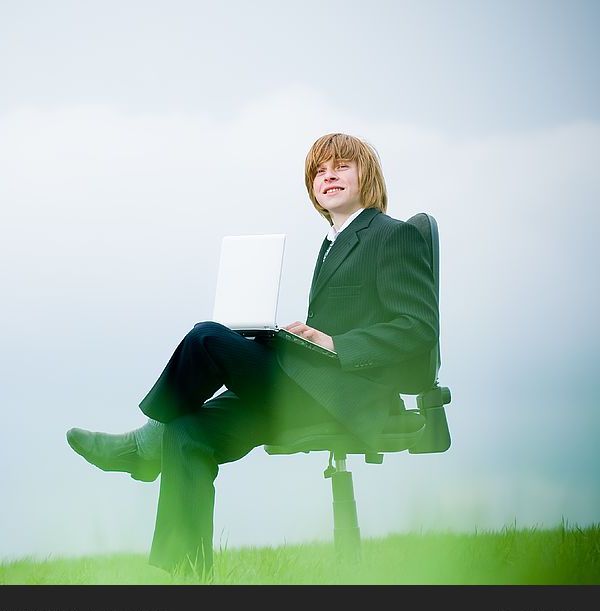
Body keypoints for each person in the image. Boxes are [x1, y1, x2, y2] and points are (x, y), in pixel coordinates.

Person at [67, 133, 439, 576]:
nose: (328, 175)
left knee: (207, 337)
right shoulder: (332, 243)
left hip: (348, 398)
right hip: (311, 389)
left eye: (341, 166)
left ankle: (143, 445)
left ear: (368, 176)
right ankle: (190, 574)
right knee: (189, 431)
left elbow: (418, 327)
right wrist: (293, 338)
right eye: (319, 171)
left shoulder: (393, 235)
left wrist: (333, 344)